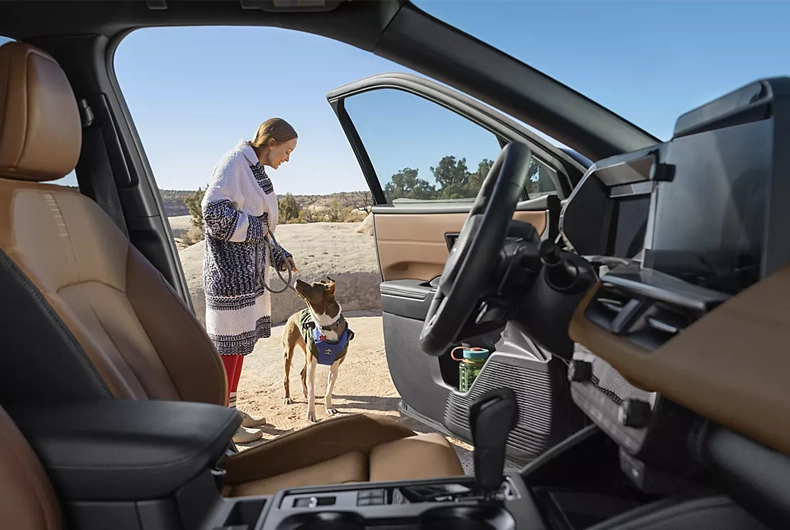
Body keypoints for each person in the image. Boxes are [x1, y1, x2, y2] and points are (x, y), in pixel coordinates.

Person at [202, 118, 299, 444]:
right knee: (227, 350)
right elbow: (214, 213)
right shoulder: (234, 164)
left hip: (248, 276)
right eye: (286, 151)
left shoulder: (253, 168)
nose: (287, 159)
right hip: (229, 277)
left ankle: (232, 409)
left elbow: (260, 224)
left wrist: (277, 253)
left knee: (238, 347)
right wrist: (259, 231)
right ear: (271, 143)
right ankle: (223, 423)